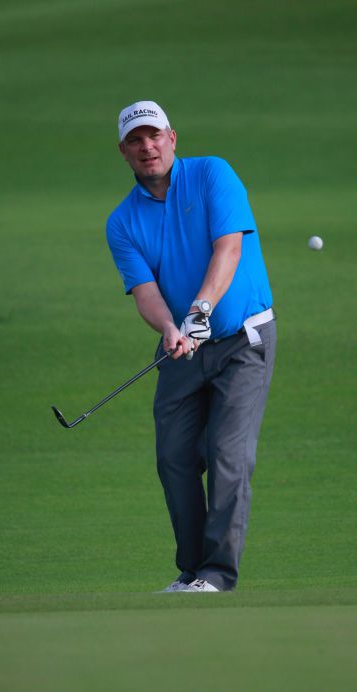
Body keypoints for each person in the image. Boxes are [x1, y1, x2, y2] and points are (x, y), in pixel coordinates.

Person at [106, 100, 276, 592]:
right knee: (174, 458)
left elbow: (229, 247)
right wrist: (169, 327)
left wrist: (199, 310)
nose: (147, 146)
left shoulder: (211, 174)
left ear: (172, 138)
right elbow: (146, 292)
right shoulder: (122, 222)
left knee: (227, 455)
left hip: (243, 340)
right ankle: (193, 571)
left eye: (154, 135)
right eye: (136, 140)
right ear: (124, 151)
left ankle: (218, 574)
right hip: (182, 348)